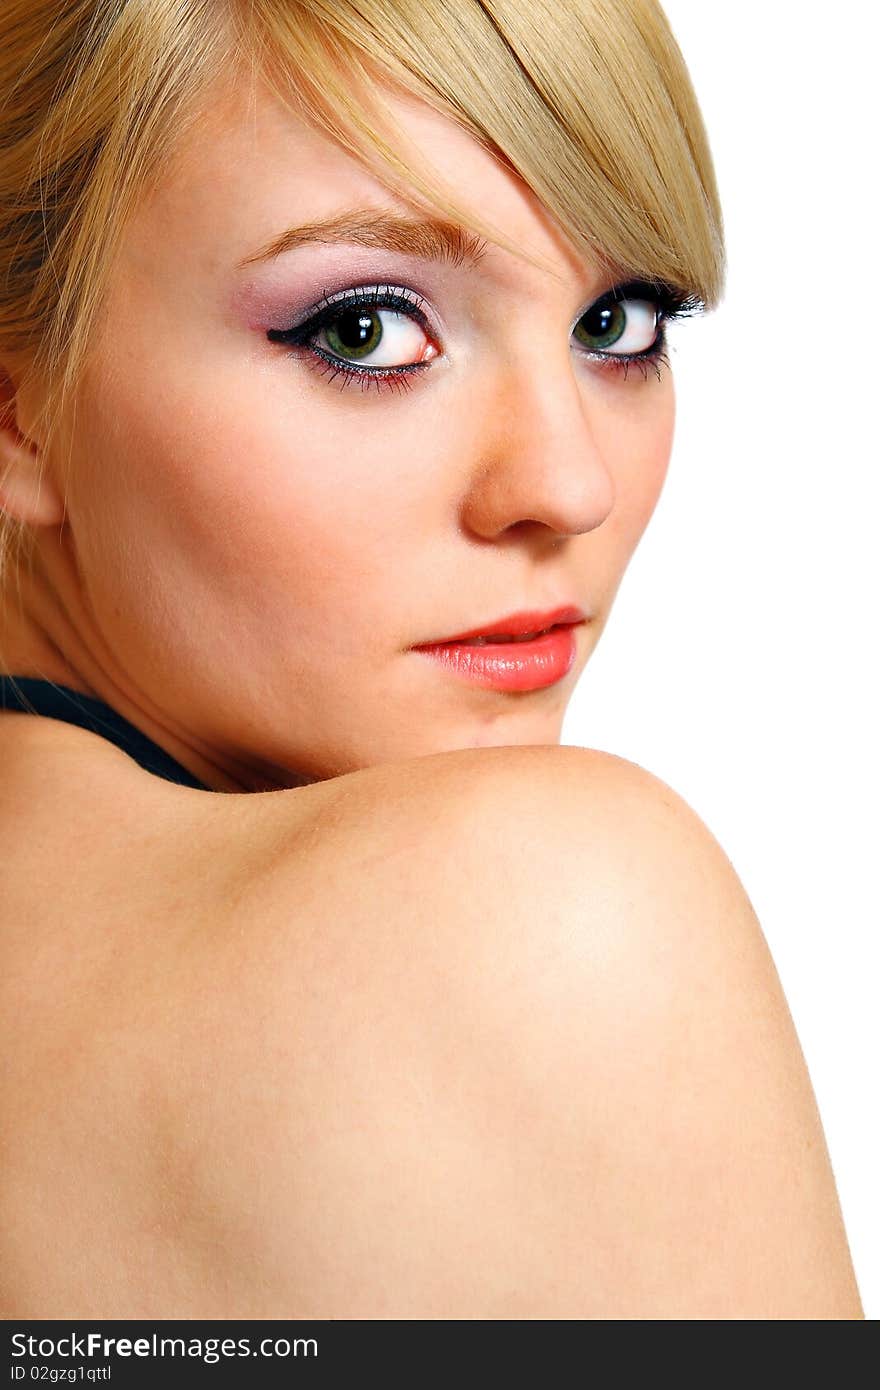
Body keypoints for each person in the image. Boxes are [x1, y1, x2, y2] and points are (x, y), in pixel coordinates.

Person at [0, 0, 862, 1319]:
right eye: (365, 329)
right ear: (18, 408)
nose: (567, 484)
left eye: (623, 321)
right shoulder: (544, 905)